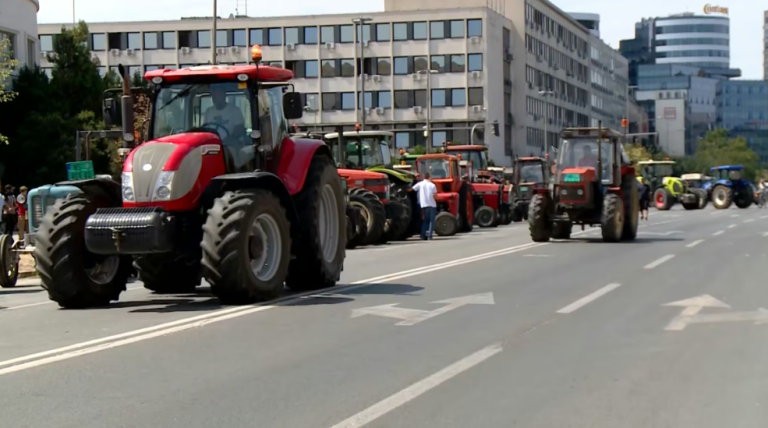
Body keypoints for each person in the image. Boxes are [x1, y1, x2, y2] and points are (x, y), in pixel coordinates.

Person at [412, 172, 438, 240]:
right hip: (431, 205)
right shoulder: (432, 185)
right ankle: (430, 235)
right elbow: (435, 196)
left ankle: (423, 235)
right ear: (429, 177)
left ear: (424, 177)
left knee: (425, 221)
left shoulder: (420, 184)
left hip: (423, 205)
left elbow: (411, 189)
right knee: (431, 221)